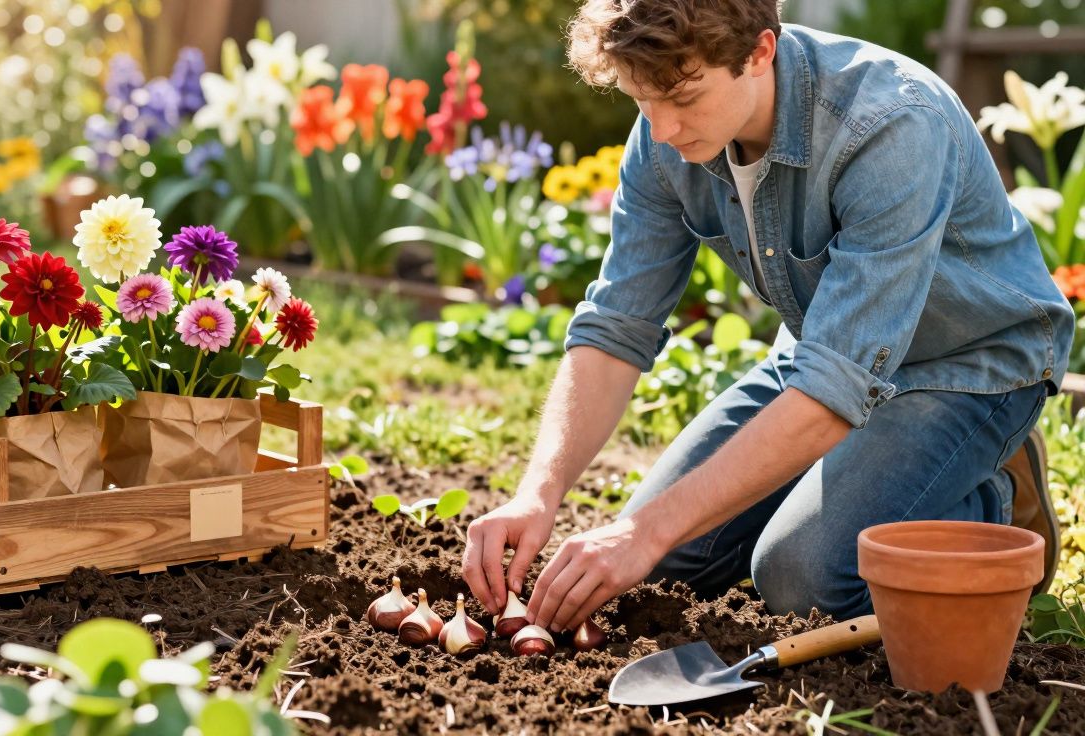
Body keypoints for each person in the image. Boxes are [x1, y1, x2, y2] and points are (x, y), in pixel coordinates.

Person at [460, 0, 1075, 633]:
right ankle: (865, 478)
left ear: (759, 53)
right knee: (662, 560)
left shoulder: (890, 125)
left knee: (802, 577)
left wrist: (639, 531)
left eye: (685, 99)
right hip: (822, 353)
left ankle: (993, 495)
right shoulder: (665, 131)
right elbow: (617, 324)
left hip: (967, 363)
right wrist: (539, 492)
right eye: (644, 102)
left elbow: (833, 389)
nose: (664, 130)